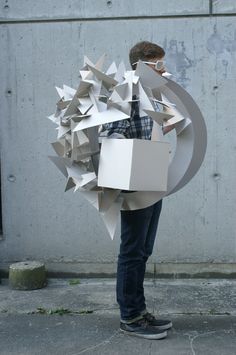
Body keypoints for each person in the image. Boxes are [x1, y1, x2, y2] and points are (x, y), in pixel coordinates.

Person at [103, 41, 174, 340]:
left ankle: (139, 311)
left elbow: (160, 128)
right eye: (158, 65)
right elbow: (111, 134)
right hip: (134, 185)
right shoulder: (124, 93)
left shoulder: (152, 95)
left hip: (153, 181)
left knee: (143, 251)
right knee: (132, 252)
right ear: (141, 65)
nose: (163, 69)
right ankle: (130, 318)